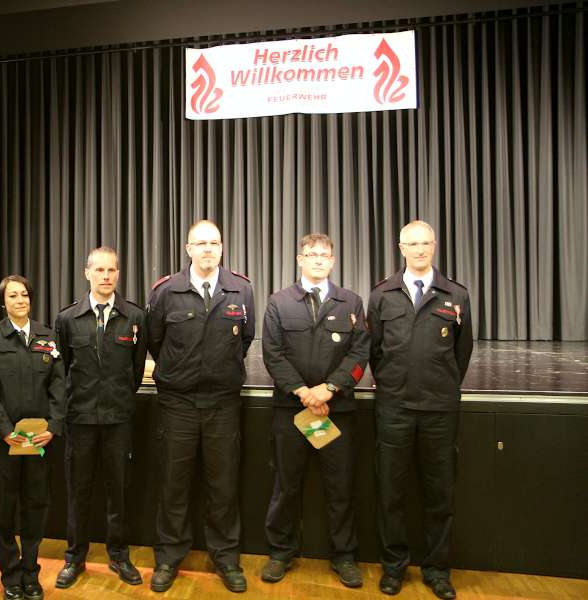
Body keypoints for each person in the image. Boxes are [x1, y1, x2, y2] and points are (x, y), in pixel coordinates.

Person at [145, 219, 255, 594]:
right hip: (177, 402)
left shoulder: (241, 289)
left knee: (223, 485)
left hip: (223, 403)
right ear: (188, 249)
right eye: (200, 243)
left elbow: (246, 338)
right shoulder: (165, 291)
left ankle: (225, 557)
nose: (208, 249)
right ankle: (169, 558)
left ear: (222, 248)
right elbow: (155, 341)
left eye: (214, 243)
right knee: (173, 485)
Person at [368, 220, 473, 599]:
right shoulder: (382, 294)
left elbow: (462, 353)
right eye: (412, 244)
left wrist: (440, 384)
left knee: (439, 493)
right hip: (394, 407)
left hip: (439, 410)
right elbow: (375, 350)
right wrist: (395, 383)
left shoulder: (456, 295)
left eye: (425, 243)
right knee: (391, 492)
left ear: (435, 246)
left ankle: (437, 570)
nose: (420, 250)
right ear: (400, 248)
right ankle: (393, 568)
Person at [260, 233, 369, 588]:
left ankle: (344, 556)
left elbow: (359, 354)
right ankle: (280, 553)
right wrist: (304, 392)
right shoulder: (279, 303)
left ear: (333, 261)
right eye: (312, 254)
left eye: (325, 255)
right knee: (285, 485)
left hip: (335, 412)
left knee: (339, 487)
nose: (318, 260)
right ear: (299, 258)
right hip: (292, 411)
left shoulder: (350, 302)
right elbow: (272, 354)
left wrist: (329, 389)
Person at [53, 247, 147, 589]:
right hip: (79, 419)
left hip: (118, 417)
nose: (106, 276)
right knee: (78, 491)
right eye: (100, 270)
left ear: (118, 274)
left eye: (112, 270)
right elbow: (60, 368)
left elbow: (136, 370)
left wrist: (118, 396)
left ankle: (119, 555)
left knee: (118, 490)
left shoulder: (135, 317)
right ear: (86, 273)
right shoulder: (66, 319)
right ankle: (74, 558)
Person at [0, 275, 66, 600]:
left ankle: (30, 572)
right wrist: (5, 431)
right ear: (3, 302)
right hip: (7, 443)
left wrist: (53, 427)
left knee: (35, 507)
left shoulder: (47, 337)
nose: (20, 300)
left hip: (39, 440)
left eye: (25, 294)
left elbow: (59, 385)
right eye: (13, 296)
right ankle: (10, 576)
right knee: (5, 511)